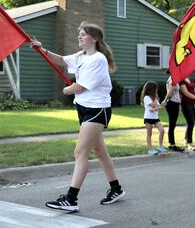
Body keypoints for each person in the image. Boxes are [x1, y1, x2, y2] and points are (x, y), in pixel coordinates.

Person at [30, 24, 124, 212]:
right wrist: (41, 48)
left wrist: (67, 89)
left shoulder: (98, 59)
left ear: (94, 38)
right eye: (79, 35)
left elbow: (80, 86)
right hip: (84, 109)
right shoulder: (81, 56)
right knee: (100, 152)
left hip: (97, 109)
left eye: (83, 35)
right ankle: (116, 189)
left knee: (80, 152)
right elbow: (60, 60)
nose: (79, 37)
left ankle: (71, 199)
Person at [141, 81, 167, 155]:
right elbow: (153, 105)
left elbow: (158, 107)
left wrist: (162, 105)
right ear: (151, 89)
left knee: (162, 130)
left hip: (155, 117)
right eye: (156, 89)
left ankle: (160, 146)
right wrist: (156, 101)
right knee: (149, 134)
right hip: (148, 118)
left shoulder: (155, 97)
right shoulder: (146, 97)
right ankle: (150, 150)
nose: (157, 90)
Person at [163, 76, 184, 152]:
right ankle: (172, 145)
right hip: (172, 104)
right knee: (172, 125)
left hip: (175, 103)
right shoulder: (173, 79)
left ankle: (171, 143)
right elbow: (169, 93)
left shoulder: (174, 79)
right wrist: (165, 100)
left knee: (173, 125)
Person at [180, 75, 195, 150]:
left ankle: (186, 139)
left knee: (191, 122)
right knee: (191, 122)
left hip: (194, 103)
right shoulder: (181, 80)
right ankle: (190, 143)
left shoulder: (190, 79)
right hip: (186, 104)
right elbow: (185, 92)